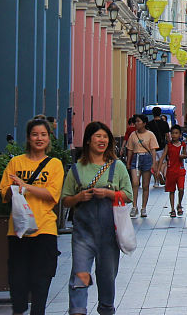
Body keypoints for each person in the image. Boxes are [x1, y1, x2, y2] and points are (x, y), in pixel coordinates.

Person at [60, 122, 132, 315]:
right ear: (88, 140)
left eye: (105, 137)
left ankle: (106, 309)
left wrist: (108, 194)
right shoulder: (76, 169)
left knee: (106, 277)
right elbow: (65, 200)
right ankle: (78, 310)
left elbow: (128, 194)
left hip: (109, 235)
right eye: (98, 136)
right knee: (81, 275)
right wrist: (78, 197)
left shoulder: (117, 167)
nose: (102, 140)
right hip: (83, 236)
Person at [0, 117, 64, 315]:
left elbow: (52, 194)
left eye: (43, 135)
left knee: (41, 280)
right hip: (18, 230)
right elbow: (4, 193)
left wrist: (25, 186)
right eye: (35, 134)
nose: (39, 138)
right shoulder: (15, 162)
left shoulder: (54, 165)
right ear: (28, 138)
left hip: (44, 228)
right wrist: (13, 189)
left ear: (49, 138)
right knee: (17, 280)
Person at [124, 115, 158, 218]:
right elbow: (130, 149)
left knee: (145, 185)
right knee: (135, 183)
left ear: (144, 123)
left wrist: (154, 163)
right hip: (136, 158)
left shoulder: (150, 135)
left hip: (146, 158)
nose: (136, 124)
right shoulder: (133, 135)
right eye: (135, 122)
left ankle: (144, 207)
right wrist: (128, 162)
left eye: (138, 121)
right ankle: (134, 206)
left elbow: (153, 150)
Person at [164, 124, 187, 217]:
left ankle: (179, 203)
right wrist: (158, 168)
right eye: (173, 133)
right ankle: (172, 208)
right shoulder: (169, 145)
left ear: (180, 134)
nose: (174, 135)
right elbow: (163, 156)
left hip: (180, 170)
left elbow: (186, 155)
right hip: (171, 170)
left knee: (181, 189)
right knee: (172, 190)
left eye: (176, 133)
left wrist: (183, 156)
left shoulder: (183, 144)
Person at [146, 107, 169, 188]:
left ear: (152, 113)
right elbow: (167, 136)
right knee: (162, 163)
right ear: (160, 113)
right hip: (162, 146)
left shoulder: (149, 124)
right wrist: (168, 144)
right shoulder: (165, 123)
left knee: (154, 163)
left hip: (152, 147)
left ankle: (156, 181)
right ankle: (161, 173)